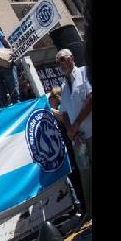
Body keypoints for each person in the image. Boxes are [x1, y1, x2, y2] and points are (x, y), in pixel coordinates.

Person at [56, 49, 92, 221]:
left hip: (91, 132)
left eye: (63, 59)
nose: (61, 63)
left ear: (72, 58)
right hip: (79, 140)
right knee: (86, 177)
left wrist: (76, 124)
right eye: (58, 61)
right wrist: (71, 130)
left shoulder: (85, 72)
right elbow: (64, 114)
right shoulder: (63, 86)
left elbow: (91, 98)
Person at [48, 86, 85, 218]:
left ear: (55, 98)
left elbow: (62, 117)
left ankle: (84, 206)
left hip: (72, 145)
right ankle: (83, 205)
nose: (49, 101)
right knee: (74, 177)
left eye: (51, 98)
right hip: (66, 148)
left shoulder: (62, 109)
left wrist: (49, 108)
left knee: (78, 177)